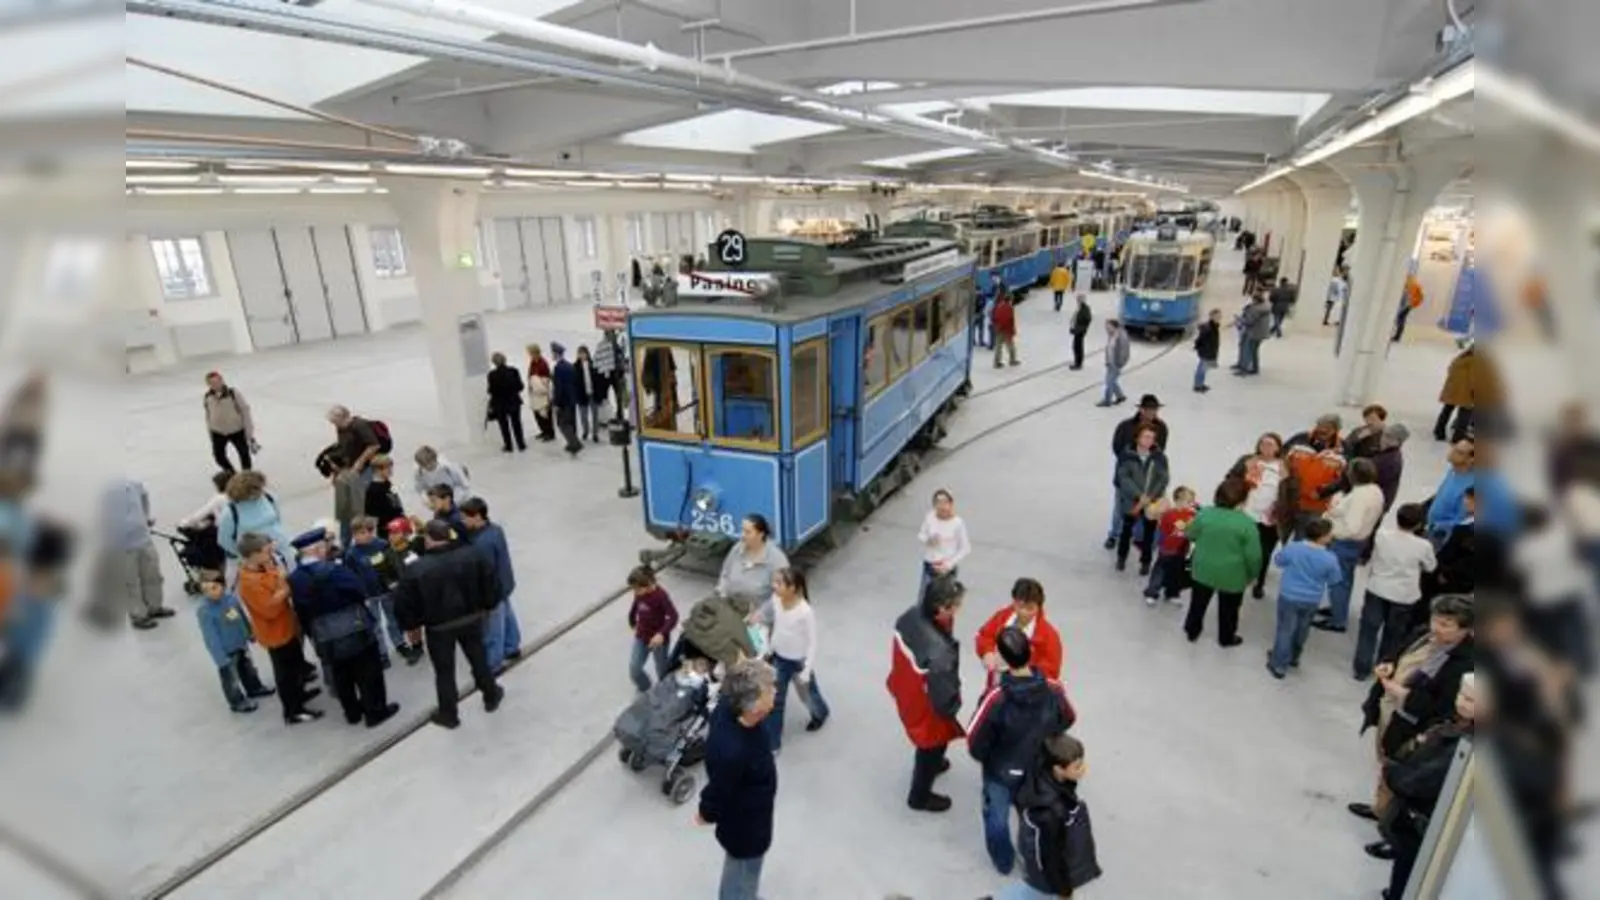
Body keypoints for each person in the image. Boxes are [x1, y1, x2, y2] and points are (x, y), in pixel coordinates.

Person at [1349, 594, 1475, 827]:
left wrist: (1404, 694)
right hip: (1392, 711)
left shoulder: (1466, 662)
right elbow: (1397, 649)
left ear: (1466, 629)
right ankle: (1380, 808)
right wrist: (1389, 662)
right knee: (1387, 761)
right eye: (1435, 620)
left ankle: (1391, 826)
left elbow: (1444, 706)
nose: (1436, 627)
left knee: (1404, 773)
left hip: (1417, 726)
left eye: (1446, 624)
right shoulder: (1423, 635)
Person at [967, 627, 1076, 875]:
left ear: (1003, 661)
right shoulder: (1053, 689)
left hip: (1001, 772)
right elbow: (1068, 717)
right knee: (1035, 816)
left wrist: (989, 758)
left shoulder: (996, 698)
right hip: (1039, 770)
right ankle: (1034, 858)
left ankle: (1004, 862)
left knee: (996, 820)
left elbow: (975, 742)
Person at [392, 519, 504, 730]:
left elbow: (404, 603)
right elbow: (490, 581)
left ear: (429, 539)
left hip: (438, 628)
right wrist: (488, 605)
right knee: (478, 658)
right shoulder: (472, 555)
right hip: (471, 619)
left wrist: (411, 624)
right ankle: (491, 695)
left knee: (444, 672)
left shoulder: (417, 569)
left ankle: (449, 714)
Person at [1377, 675, 1476, 900]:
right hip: (1420, 816)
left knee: (1408, 868)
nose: (1461, 702)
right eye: (1461, 694)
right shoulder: (1456, 725)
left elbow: (1419, 781)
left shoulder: (1464, 746)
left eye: (1471, 700)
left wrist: (1391, 773)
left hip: (1422, 819)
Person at [288, 529, 398, 728]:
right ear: (318, 549)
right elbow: (358, 590)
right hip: (354, 626)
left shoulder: (295, 578)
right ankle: (375, 712)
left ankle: (352, 712)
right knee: (368, 672)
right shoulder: (335, 570)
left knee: (340, 675)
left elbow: (300, 609)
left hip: (323, 632)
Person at [695, 658, 778, 900]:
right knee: (742, 871)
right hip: (746, 827)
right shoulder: (733, 751)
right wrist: (706, 811)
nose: (776, 691)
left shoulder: (729, 708)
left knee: (743, 871)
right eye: (770, 690)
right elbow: (719, 788)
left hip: (753, 815)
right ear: (754, 707)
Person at [887, 575, 966, 813]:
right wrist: (954, 706)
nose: (959, 609)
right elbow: (944, 702)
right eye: (956, 605)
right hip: (927, 708)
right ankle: (919, 796)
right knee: (931, 745)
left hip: (906, 690)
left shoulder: (909, 617)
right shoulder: (939, 652)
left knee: (930, 744)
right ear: (942, 609)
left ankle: (935, 765)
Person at [234, 532, 322, 724]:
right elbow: (269, 609)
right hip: (275, 633)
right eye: (267, 551)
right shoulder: (249, 582)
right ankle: (293, 711)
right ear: (253, 554)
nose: (271, 554)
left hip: (287, 626)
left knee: (296, 664)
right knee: (286, 673)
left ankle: (300, 694)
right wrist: (287, 587)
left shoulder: (264, 567)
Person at [1003, 733, 1102, 900]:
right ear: (1058, 769)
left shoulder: (1042, 773)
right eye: (1077, 766)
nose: (1083, 769)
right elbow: (1051, 859)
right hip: (1046, 874)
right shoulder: (1050, 814)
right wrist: (1064, 891)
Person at [1352, 503, 1438, 680]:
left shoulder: (1382, 536)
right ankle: (1383, 666)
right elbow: (1431, 566)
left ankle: (1361, 668)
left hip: (1377, 587)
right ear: (1419, 524)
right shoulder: (1423, 546)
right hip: (1404, 595)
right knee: (1393, 633)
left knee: (1369, 628)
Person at [757, 566, 830, 751]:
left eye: (779, 583)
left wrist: (806, 670)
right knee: (775, 702)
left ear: (792, 588)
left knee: (809, 693)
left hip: (799, 661)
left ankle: (820, 713)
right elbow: (778, 628)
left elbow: (813, 643)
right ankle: (773, 744)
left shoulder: (805, 611)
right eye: (774, 582)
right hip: (779, 658)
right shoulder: (776, 599)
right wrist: (769, 648)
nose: (774, 586)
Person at [1182, 478, 1262, 646]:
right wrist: (1253, 574)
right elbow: (1254, 556)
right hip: (1233, 575)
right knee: (1230, 610)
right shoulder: (1247, 524)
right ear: (1242, 501)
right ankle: (1226, 638)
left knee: (1198, 603)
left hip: (1203, 569)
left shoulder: (1204, 514)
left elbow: (1189, 533)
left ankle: (1192, 631)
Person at [1312, 458, 1385, 634]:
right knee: (1345, 579)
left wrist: (1331, 532)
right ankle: (1338, 608)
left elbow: (1352, 527)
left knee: (1338, 581)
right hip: (1357, 543)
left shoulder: (1359, 497)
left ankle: (1338, 620)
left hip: (1344, 543)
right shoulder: (1374, 490)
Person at [1265, 518, 1343, 679]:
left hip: (1289, 595)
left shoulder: (1294, 548)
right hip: (1311, 599)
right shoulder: (1330, 558)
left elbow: (1279, 561)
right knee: (1302, 629)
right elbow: (1335, 579)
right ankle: (1294, 657)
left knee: (1285, 629)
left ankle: (1279, 663)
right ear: (1322, 537)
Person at [194, 569, 274, 713]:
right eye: (205, 590)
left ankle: (254, 687)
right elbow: (211, 637)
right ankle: (237, 701)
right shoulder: (205, 611)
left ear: (223, 585)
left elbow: (240, 617)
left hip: (240, 643)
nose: (211, 592)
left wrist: (249, 633)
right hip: (226, 651)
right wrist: (220, 658)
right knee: (231, 679)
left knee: (248, 668)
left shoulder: (231, 599)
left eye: (214, 587)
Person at [98, 478, 172, 630]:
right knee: (131, 583)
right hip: (122, 547)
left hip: (144, 541)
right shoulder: (107, 496)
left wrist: (145, 518)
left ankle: (155, 607)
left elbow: (145, 497)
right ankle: (138, 616)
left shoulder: (134, 486)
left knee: (153, 577)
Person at [459, 496, 523, 673]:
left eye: (465, 517)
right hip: (505, 584)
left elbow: (484, 575)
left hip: (492, 592)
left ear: (477, 516)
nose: (462, 521)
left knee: (492, 630)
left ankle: (493, 664)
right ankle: (512, 647)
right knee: (508, 616)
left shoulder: (481, 544)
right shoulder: (495, 529)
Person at [1227, 432, 1294, 600]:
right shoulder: (1248, 461)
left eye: (1271, 444)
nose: (1266, 448)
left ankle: (1260, 582)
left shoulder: (1284, 467)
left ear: (1278, 447)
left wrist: (1282, 510)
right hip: (1246, 513)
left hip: (1270, 517)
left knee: (1264, 552)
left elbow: (1291, 491)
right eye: (1263, 444)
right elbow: (1231, 478)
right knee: (1241, 548)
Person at [346, 516, 420, 666]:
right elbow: (352, 575)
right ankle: (382, 652)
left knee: (393, 620)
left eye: (363, 532)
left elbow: (392, 565)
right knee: (376, 625)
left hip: (386, 591)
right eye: (356, 534)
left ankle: (400, 644)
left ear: (371, 532)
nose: (360, 536)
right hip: (369, 595)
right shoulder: (352, 554)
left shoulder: (382, 545)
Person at [1103, 395, 1169, 550]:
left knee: (1148, 509)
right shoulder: (1125, 426)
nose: (1153, 413)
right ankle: (1114, 534)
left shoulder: (1162, 428)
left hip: (1149, 478)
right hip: (1127, 476)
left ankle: (1140, 536)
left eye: (1155, 410)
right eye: (1150, 410)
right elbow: (1117, 448)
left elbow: (1160, 452)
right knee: (1120, 507)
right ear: (1141, 409)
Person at [975, 578, 1063, 688]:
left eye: (1030, 608)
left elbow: (1052, 672)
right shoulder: (1002, 617)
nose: (1024, 612)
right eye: (1020, 606)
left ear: (1039, 606)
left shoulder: (1049, 636)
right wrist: (987, 653)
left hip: (1028, 692)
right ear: (1013, 601)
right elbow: (984, 636)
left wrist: (1025, 674)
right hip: (996, 684)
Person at [1113, 423, 1170, 575]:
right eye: (1146, 436)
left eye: (1152, 437)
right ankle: (1121, 557)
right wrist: (1139, 496)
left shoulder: (1159, 457)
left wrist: (1150, 497)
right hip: (1131, 502)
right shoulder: (1127, 455)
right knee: (1126, 531)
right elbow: (1124, 478)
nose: (1149, 440)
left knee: (1149, 534)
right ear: (1137, 437)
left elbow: (1163, 479)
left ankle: (1145, 562)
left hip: (1150, 503)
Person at [716, 514, 789, 606]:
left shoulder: (777, 559)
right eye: (742, 530)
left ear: (760, 534)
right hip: (732, 606)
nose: (742, 535)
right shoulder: (737, 549)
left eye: (748, 532)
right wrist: (722, 591)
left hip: (759, 613)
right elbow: (725, 574)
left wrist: (762, 614)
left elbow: (782, 595)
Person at [626, 565, 678, 692]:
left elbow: (673, 616)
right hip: (642, 636)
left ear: (647, 585)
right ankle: (645, 688)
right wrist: (632, 620)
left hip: (658, 640)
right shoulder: (639, 594)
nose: (635, 592)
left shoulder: (661, 596)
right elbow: (636, 606)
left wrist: (661, 633)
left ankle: (664, 691)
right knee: (635, 668)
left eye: (637, 589)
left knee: (662, 670)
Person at [1144, 485, 1198, 605]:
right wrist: (1160, 544)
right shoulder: (1169, 515)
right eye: (1188, 501)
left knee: (1177, 573)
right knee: (1160, 571)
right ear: (1178, 500)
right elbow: (1162, 531)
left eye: (1192, 502)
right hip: (1167, 549)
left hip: (1182, 550)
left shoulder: (1192, 515)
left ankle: (1172, 593)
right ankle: (1152, 592)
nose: (1191, 504)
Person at [918, 489, 971, 599]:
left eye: (945, 502)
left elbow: (965, 548)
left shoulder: (957, 523)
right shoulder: (930, 517)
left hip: (946, 570)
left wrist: (948, 564)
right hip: (930, 565)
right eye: (938, 503)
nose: (942, 506)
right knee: (923, 599)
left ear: (951, 504)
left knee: (943, 601)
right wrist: (928, 540)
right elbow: (921, 535)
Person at [1423, 439, 1475, 546]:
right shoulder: (1453, 471)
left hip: (1442, 536)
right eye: (1454, 448)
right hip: (1429, 526)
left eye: (1459, 452)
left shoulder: (1471, 486)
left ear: (1471, 459)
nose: (1452, 453)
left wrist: (1439, 527)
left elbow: (1463, 519)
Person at [202, 371, 256, 473]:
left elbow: (245, 410)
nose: (215, 385)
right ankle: (232, 474)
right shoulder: (207, 397)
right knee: (219, 457)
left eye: (217, 381)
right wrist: (210, 432)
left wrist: (249, 431)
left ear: (222, 381)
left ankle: (246, 476)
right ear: (208, 384)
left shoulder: (233, 393)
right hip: (217, 432)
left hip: (236, 431)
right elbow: (208, 415)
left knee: (244, 454)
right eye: (212, 383)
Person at [1434, 344, 1481, 442]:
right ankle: (1458, 438)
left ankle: (1438, 431)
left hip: (1451, 390)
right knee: (1465, 414)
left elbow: (1449, 369)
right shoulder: (1474, 361)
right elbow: (1474, 380)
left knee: (1447, 410)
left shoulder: (1461, 357)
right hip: (1465, 392)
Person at [485, 351, 527, 453]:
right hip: (514, 401)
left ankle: (508, 445)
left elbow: (491, 391)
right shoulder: (514, 371)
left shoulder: (492, 375)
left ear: (494, 363)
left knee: (504, 426)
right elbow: (520, 386)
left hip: (500, 404)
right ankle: (521, 444)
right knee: (516, 423)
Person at [549, 342, 584, 456]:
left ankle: (574, 443)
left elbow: (559, 387)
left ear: (556, 354)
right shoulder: (570, 366)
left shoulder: (558, 368)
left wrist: (556, 402)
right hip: (572, 399)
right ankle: (571, 443)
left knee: (563, 423)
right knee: (571, 422)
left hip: (564, 401)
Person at [1232, 292, 1271, 376]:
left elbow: (1249, 321)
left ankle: (1244, 368)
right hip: (1260, 332)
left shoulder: (1256, 309)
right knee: (1253, 351)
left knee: (1247, 350)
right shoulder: (1264, 307)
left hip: (1254, 332)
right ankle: (1254, 367)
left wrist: (1239, 320)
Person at [574, 345, 607, 442]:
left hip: (593, 393)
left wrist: (601, 395)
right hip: (582, 394)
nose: (582, 355)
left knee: (595, 414)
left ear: (587, 354)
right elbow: (574, 383)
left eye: (583, 353)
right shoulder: (575, 367)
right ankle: (585, 431)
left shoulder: (594, 365)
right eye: (580, 353)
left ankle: (595, 433)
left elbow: (600, 381)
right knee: (583, 415)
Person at [362, 455, 405, 529]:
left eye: (391, 467)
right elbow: (371, 515)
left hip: (396, 524)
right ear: (378, 470)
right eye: (388, 468)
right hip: (384, 528)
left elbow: (395, 503)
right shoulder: (372, 490)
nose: (391, 471)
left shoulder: (388, 485)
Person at [1095, 318, 1130, 407]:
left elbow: (1124, 351)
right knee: (1111, 381)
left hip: (1116, 363)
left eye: (1108, 326)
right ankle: (1120, 396)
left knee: (1109, 382)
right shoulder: (1112, 335)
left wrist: (1120, 363)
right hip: (1110, 362)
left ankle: (1107, 400)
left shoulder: (1121, 337)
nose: (1106, 329)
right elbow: (1109, 349)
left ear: (1114, 327)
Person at [526, 343, 556, 442]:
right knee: (537, 413)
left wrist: (538, 383)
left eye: (531, 353)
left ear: (536, 352)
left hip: (543, 392)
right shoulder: (533, 362)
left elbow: (547, 378)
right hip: (535, 392)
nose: (530, 355)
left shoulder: (543, 363)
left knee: (545, 413)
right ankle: (543, 431)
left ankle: (550, 433)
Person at [1192, 307, 1222, 393]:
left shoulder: (1214, 326)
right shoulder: (1208, 328)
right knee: (1201, 369)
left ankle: (1201, 384)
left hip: (1208, 350)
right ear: (1212, 316)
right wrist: (1198, 347)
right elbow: (1200, 339)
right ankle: (1197, 385)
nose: (1219, 318)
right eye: (1217, 316)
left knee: (1204, 369)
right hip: (1206, 351)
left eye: (1220, 316)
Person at [1392, 274, 1424, 342]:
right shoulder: (1412, 284)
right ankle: (1397, 336)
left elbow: (1418, 297)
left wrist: (1411, 304)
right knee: (1400, 319)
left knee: (1400, 319)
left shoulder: (1413, 285)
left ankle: (1397, 336)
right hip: (1408, 305)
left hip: (1407, 305)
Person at [992, 289, 1019, 368]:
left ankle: (996, 363)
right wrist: (1012, 330)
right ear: (1010, 299)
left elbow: (994, 317)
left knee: (998, 347)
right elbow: (1009, 320)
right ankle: (1012, 360)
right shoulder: (1009, 308)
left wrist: (996, 326)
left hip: (998, 329)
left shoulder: (999, 305)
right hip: (1006, 330)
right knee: (1011, 346)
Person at [1067, 294, 1092, 370]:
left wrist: (1081, 326)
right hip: (1078, 329)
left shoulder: (1085, 308)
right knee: (1076, 346)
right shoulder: (1080, 308)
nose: (1077, 301)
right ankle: (1077, 362)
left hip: (1080, 330)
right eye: (1077, 299)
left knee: (1078, 347)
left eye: (1079, 299)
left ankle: (1078, 363)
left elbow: (1087, 318)